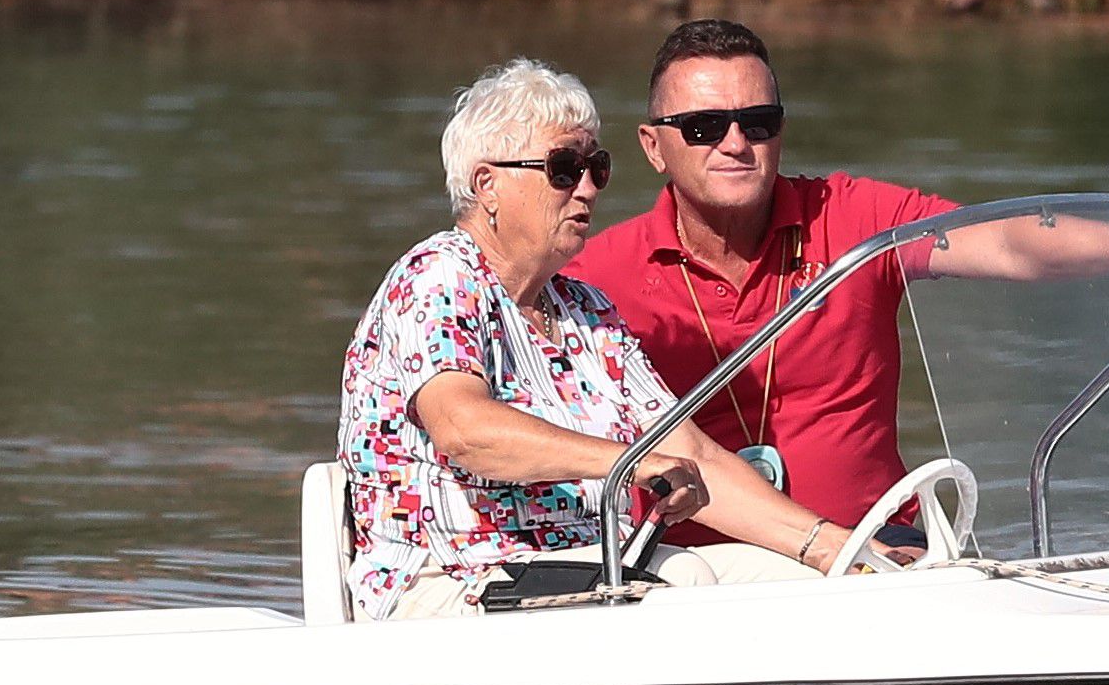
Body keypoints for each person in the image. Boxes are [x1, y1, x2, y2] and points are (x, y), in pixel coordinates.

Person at [566, 18, 1109, 541]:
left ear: (780, 132)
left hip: (882, 556)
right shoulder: (593, 274)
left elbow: (1008, 240)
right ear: (653, 146)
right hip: (697, 582)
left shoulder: (856, 214)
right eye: (704, 127)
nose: (735, 142)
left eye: (757, 122)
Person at [339, 58, 886, 620]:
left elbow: (689, 451)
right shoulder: (438, 276)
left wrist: (839, 548)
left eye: (596, 167)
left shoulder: (584, 308)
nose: (587, 188)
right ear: (488, 185)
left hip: (585, 570)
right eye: (563, 168)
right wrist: (627, 462)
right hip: (450, 581)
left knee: (813, 585)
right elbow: (465, 431)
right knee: (684, 578)